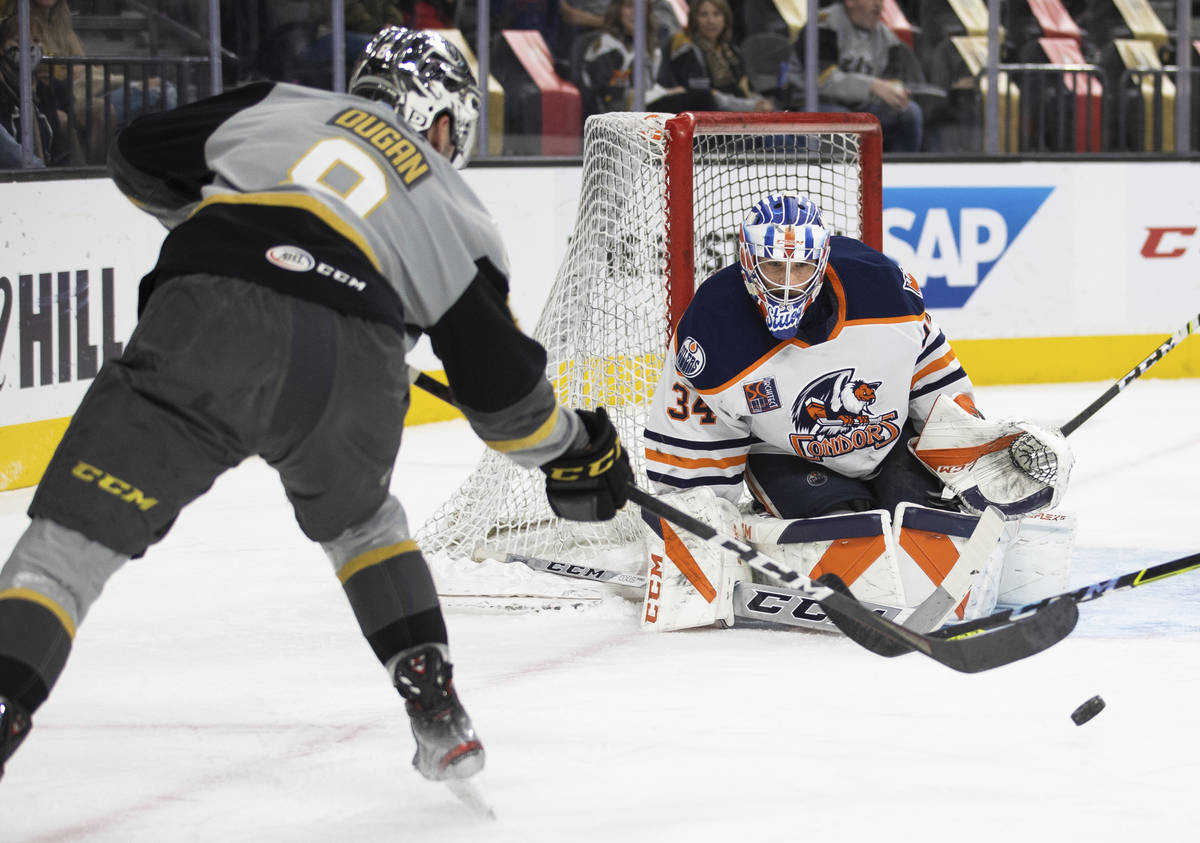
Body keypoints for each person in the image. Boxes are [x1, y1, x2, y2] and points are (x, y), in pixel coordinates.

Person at [0, 27, 631, 787]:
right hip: (353, 360)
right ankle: (436, 705)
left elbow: (136, 153)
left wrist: (219, 222)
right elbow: (507, 408)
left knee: (70, 544)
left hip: (211, 314)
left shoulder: (282, 104)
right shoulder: (460, 212)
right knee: (364, 521)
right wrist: (578, 448)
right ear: (441, 123)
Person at [639, 194, 1073, 631]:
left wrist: (970, 447)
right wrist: (695, 531)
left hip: (889, 446)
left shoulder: (883, 291)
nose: (788, 284)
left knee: (931, 527)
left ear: (822, 260)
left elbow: (931, 374)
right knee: (852, 533)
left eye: (801, 268)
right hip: (784, 456)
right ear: (747, 260)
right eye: (774, 267)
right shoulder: (713, 331)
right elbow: (694, 444)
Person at [794, 0, 925, 153]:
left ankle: (900, 172)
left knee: (909, 113)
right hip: (815, 106)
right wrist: (872, 86)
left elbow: (891, 82)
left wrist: (897, 94)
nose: (879, 4)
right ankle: (843, 176)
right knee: (843, 123)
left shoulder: (889, 39)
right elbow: (821, 82)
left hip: (863, 109)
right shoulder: (823, 26)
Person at [581, 0, 711, 114]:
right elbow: (611, 95)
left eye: (641, 7)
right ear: (617, 10)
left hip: (646, 108)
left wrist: (667, 92)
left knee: (700, 98)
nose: (635, 13)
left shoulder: (649, 47)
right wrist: (666, 93)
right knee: (700, 99)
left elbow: (651, 87)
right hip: (616, 116)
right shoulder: (604, 46)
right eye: (629, 6)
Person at [659, 0, 772, 112]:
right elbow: (704, 96)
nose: (711, 21)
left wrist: (761, 103)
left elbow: (747, 90)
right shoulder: (685, 47)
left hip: (735, 111)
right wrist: (751, 106)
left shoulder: (731, 51)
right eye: (704, 15)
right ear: (694, 19)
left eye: (717, 14)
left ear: (725, 19)